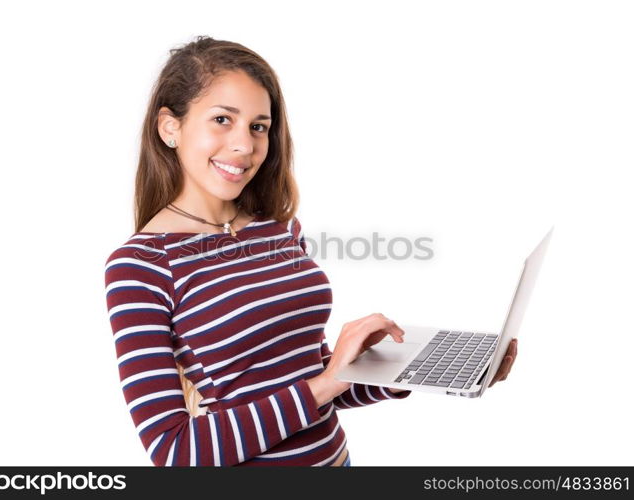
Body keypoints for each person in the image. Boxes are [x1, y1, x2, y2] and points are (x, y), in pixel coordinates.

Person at [103, 35, 518, 467]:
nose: (245, 145)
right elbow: (175, 449)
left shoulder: (277, 228)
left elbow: (314, 375)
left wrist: (405, 373)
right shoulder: (141, 266)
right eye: (223, 120)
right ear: (170, 127)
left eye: (258, 126)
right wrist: (329, 381)